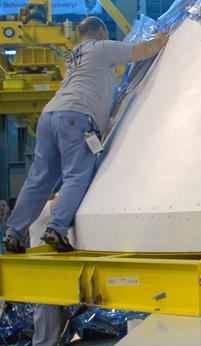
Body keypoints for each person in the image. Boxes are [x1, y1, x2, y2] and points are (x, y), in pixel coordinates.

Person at [3, 16, 168, 254]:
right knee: (77, 174)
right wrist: (160, 39)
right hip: (76, 116)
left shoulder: (73, 55)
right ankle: (57, 229)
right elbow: (141, 50)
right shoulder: (101, 48)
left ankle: (13, 234)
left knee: (39, 179)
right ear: (101, 31)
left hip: (49, 116)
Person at [28, 198, 69, 346]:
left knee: (52, 337)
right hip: (45, 279)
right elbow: (63, 200)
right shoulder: (43, 207)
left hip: (53, 278)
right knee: (46, 337)